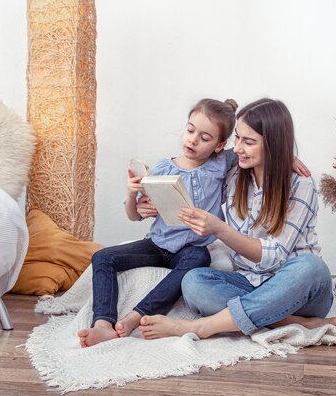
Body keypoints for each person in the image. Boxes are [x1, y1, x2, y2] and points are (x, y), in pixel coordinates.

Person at [138, 98, 336, 340]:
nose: (238, 148)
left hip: (298, 290)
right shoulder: (233, 175)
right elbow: (197, 173)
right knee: (193, 281)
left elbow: (274, 256)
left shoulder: (300, 184)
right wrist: (147, 201)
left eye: (248, 142)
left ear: (273, 145)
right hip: (250, 282)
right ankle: (292, 322)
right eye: (237, 138)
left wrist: (219, 229)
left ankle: (202, 327)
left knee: (312, 267)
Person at [77, 98, 238, 347]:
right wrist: (132, 195)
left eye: (205, 138)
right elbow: (134, 215)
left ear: (220, 145)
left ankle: (136, 316)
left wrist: (289, 160)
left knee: (199, 259)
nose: (193, 140)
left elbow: (255, 153)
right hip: (157, 243)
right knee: (102, 257)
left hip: (191, 248)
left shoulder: (221, 163)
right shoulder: (163, 168)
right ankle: (102, 323)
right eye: (190, 130)